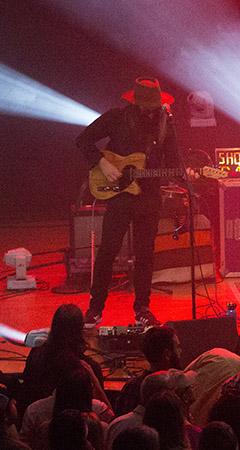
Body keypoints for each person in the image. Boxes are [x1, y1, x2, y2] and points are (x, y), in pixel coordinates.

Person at [77, 77, 197, 327]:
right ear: (135, 102)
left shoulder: (166, 124)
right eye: (144, 106)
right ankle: (95, 307)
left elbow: (174, 163)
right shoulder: (117, 117)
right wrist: (103, 162)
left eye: (152, 106)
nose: (149, 111)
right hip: (119, 195)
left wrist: (188, 175)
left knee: (146, 255)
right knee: (108, 251)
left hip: (149, 197)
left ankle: (142, 308)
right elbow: (83, 139)